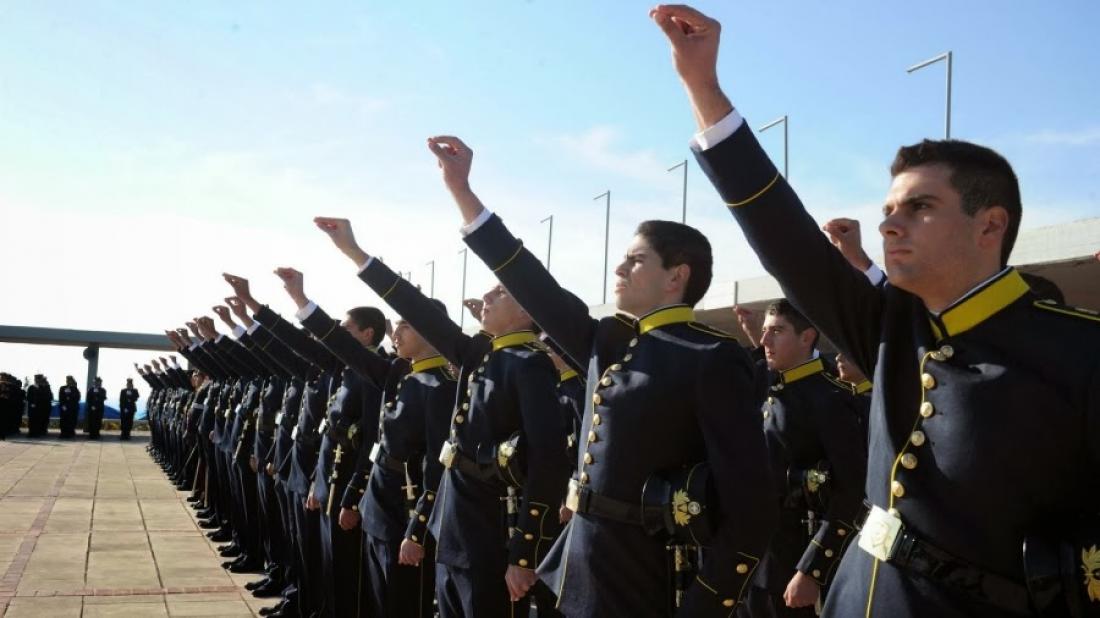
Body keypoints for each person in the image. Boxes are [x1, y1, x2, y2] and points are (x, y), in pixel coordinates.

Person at [654, 5, 1100, 615]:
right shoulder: (892, 325)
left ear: (989, 225)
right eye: (889, 209)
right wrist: (702, 86)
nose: (890, 224)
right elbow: (783, 236)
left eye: (920, 208)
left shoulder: (1078, 351)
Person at [396, 130, 777, 617]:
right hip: (583, 565)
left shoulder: (710, 356)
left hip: (645, 576)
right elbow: (532, 282)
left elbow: (751, 504)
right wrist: (462, 192)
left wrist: (705, 603)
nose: (619, 268)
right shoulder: (610, 343)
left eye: (636, 260)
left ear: (676, 276)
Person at [313, 217, 570, 618]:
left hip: (490, 536)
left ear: (526, 308)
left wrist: (525, 552)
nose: (487, 295)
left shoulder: (530, 364)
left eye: (500, 291)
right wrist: (356, 254)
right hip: (454, 530)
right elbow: (418, 309)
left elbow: (547, 462)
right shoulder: (482, 357)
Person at [743, 300, 866, 617]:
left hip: (793, 560)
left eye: (777, 331)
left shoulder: (831, 398)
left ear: (807, 337)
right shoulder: (765, 387)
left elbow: (851, 491)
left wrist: (812, 568)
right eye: (764, 331)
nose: (765, 340)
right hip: (752, 560)